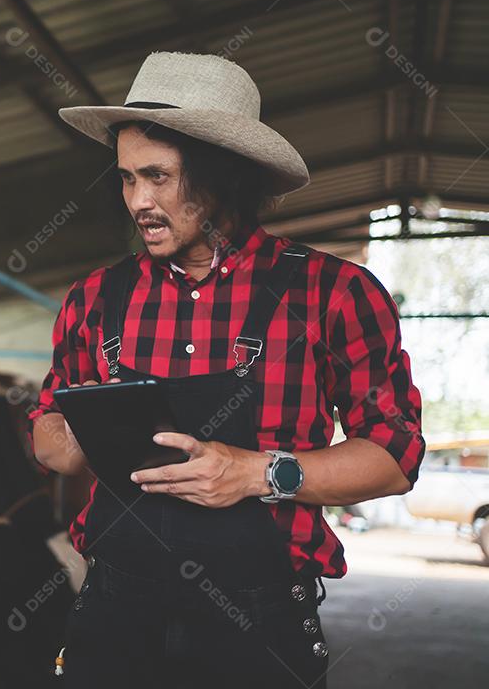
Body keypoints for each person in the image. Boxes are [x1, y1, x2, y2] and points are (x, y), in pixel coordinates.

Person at [31, 52, 426, 687]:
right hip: (115, 610)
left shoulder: (332, 292)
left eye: (158, 176)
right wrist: (77, 436)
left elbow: (393, 456)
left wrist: (256, 473)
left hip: (259, 622)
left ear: (225, 175)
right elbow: (48, 431)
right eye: (127, 179)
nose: (139, 201)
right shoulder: (95, 298)